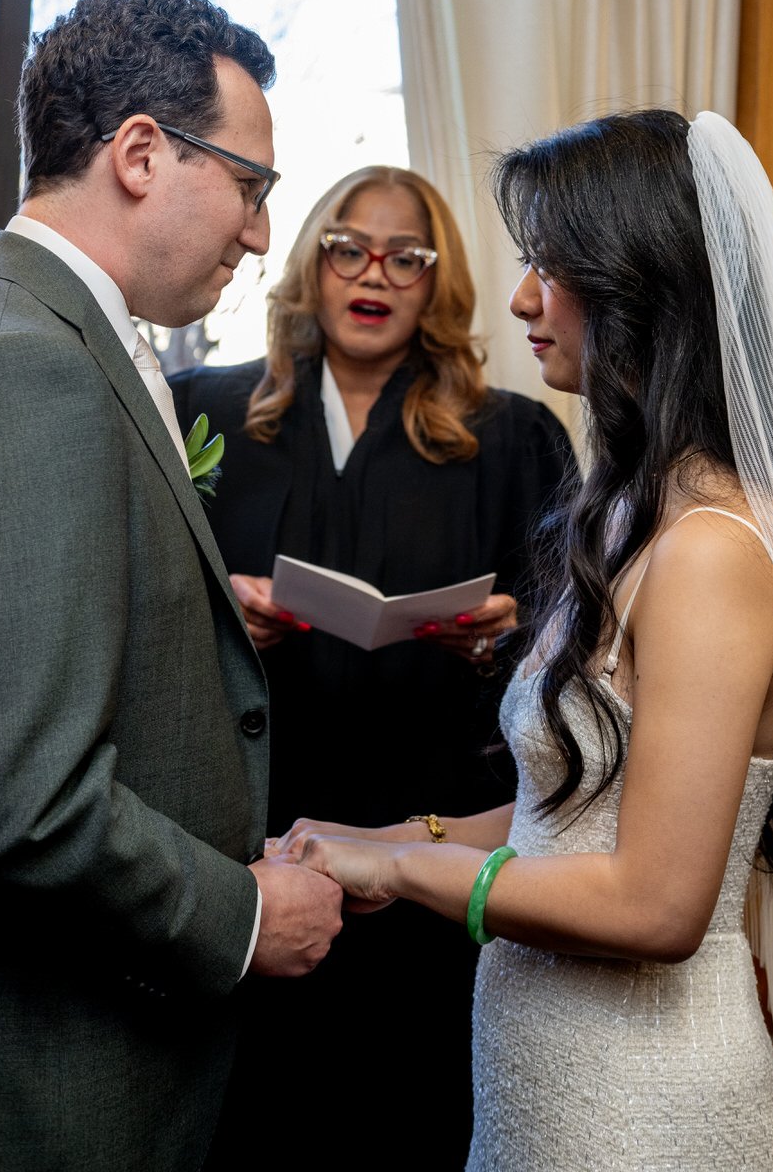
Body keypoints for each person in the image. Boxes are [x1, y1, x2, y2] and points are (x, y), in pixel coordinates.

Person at [278, 111, 773, 1171]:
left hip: (640, 1109)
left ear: (634, 284)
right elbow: (581, 811)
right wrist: (400, 827)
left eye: (546, 268)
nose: (520, 300)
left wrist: (404, 869)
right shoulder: (630, 518)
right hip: (548, 1081)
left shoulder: (710, 551)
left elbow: (655, 902)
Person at [0, 0, 343, 1172]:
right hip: (21, 1079)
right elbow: (16, 803)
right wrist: (244, 917)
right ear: (137, 153)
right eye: (251, 185)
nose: (263, 234)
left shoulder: (19, 326)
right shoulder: (24, 366)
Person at [170, 165, 577, 1167]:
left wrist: (507, 632)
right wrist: (217, 609)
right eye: (348, 246)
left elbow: (585, 652)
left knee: (401, 1124)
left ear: (435, 284)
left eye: (408, 256)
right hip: (249, 846)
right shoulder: (202, 411)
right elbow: (130, 603)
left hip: (425, 857)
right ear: (311, 261)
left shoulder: (510, 436)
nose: (374, 272)